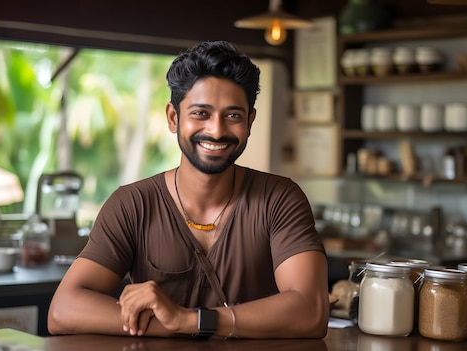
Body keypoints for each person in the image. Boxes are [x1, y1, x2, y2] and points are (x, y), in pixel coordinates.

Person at [47, 40, 329, 339]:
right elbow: (62, 311)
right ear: (173, 118)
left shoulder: (280, 199)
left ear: (250, 121)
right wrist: (171, 324)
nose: (217, 130)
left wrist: (189, 320)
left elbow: (310, 311)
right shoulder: (132, 204)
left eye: (233, 115)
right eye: (200, 114)